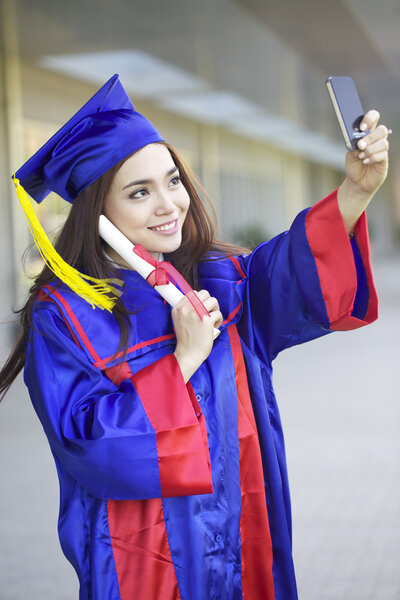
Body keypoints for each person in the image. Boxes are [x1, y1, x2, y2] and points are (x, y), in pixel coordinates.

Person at [0, 74, 389, 600]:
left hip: (246, 533)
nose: (169, 205)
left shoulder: (218, 278)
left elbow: (293, 270)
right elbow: (86, 444)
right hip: (146, 559)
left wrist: (354, 192)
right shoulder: (66, 315)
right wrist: (181, 360)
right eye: (139, 192)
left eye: (173, 180)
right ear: (98, 212)